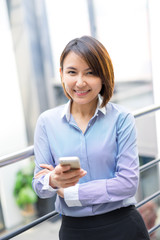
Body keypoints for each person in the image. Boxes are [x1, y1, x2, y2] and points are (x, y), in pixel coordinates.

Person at [32, 35, 150, 240]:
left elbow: (128, 183)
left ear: (104, 76)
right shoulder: (46, 122)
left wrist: (70, 193)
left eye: (90, 73)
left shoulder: (122, 119)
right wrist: (52, 180)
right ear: (61, 74)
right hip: (74, 231)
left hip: (123, 226)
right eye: (71, 72)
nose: (80, 82)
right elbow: (40, 186)